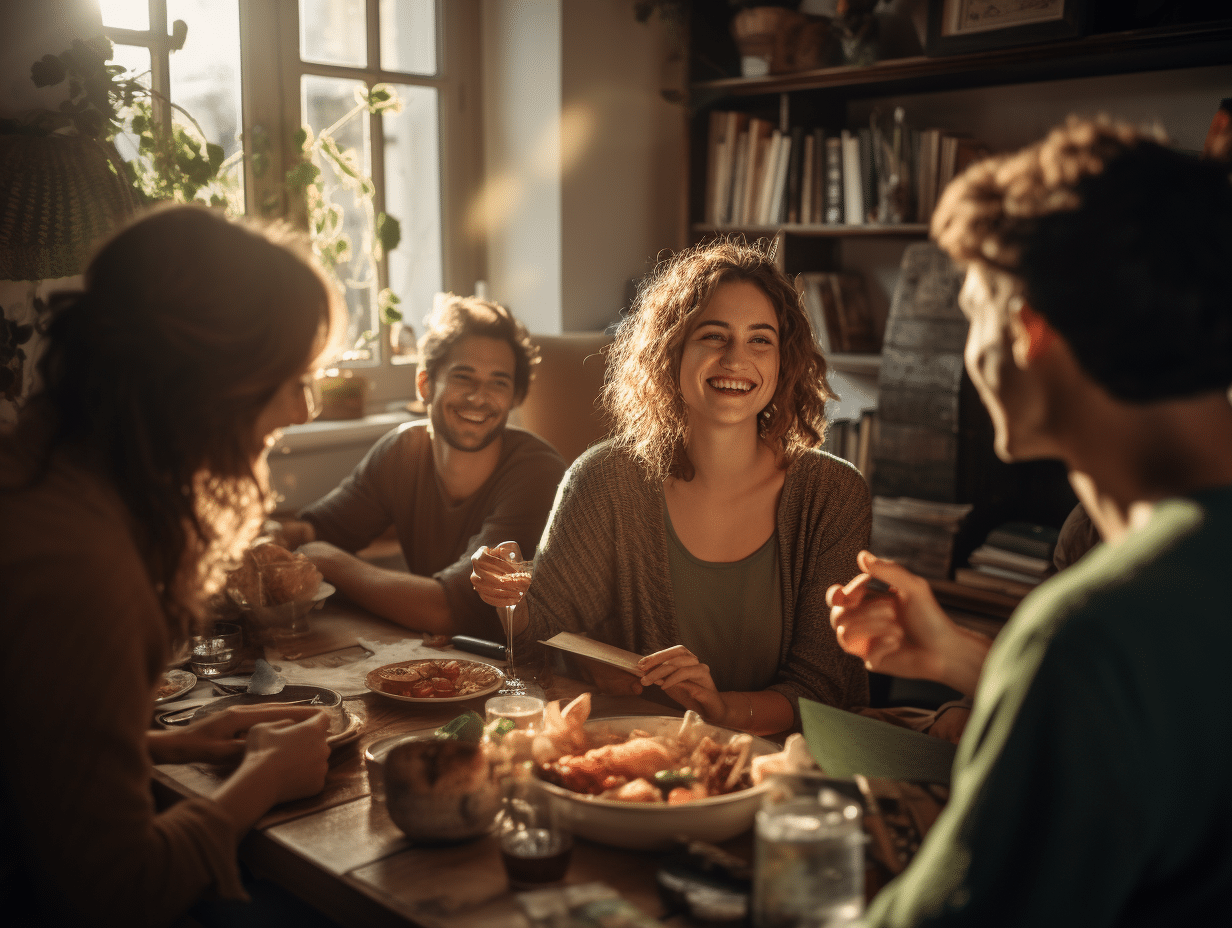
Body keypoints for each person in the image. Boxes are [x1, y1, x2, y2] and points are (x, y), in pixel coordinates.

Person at [827, 117, 1232, 925]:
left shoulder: (1091, 631)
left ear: (1029, 331)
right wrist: (967, 658)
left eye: (974, 313)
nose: (968, 354)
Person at [0, 204, 344, 925]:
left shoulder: (40, 471)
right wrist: (262, 776)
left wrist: (166, 741)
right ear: (203, 381)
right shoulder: (77, 564)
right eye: (289, 375)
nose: (304, 410)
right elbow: (111, 892)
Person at [472, 240, 871, 736]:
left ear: (783, 361)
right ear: (671, 351)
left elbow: (825, 690)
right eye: (713, 336)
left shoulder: (833, 495)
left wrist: (721, 710)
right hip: (644, 757)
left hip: (786, 772)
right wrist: (508, 593)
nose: (735, 359)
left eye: (760, 340)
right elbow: (544, 639)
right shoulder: (603, 479)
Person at [284, 296, 566, 640]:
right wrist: (269, 536)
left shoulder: (538, 475)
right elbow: (317, 531)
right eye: (463, 377)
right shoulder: (403, 451)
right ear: (425, 385)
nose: (479, 397)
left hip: (521, 673)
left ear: (516, 397)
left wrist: (330, 562)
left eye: (498, 382)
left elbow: (451, 611)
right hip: (444, 662)